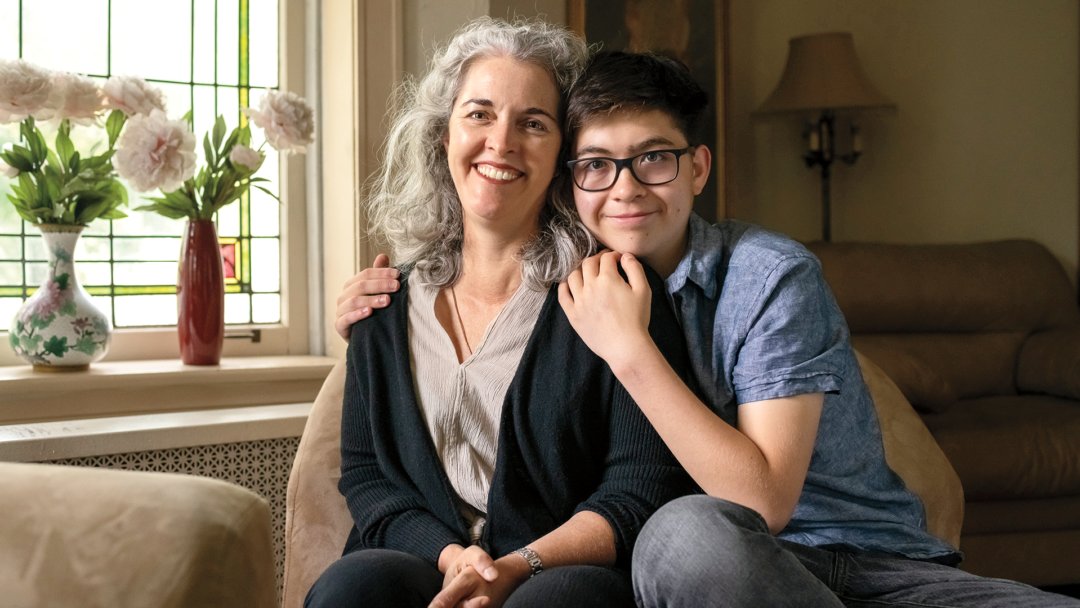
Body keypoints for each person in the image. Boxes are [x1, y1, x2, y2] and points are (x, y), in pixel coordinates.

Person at [338, 49, 1080, 607]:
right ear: (571, 180)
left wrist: (629, 349)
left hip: (858, 562)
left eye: (653, 160)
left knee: (687, 528)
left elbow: (760, 503)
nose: (625, 188)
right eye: (596, 165)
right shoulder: (575, 286)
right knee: (682, 534)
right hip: (707, 569)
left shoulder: (767, 276)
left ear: (697, 168)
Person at [307, 21, 692, 608]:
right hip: (424, 563)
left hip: (557, 568)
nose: (501, 142)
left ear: (563, 155)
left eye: (533, 123)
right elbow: (368, 478)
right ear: (443, 136)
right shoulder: (380, 304)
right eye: (479, 115)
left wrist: (516, 564)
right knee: (352, 588)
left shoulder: (616, 293)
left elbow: (637, 490)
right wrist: (455, 558)